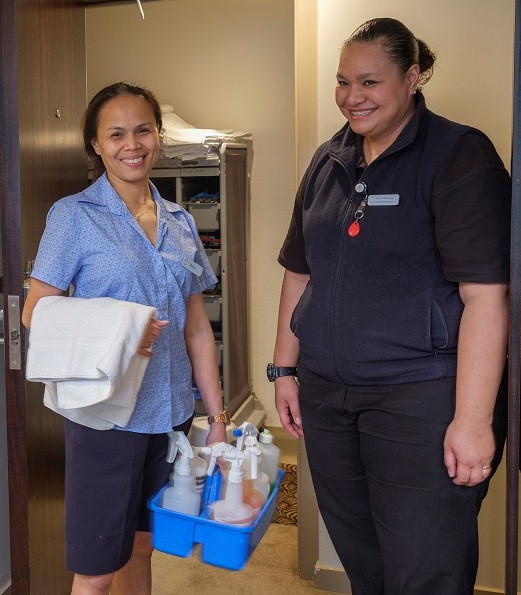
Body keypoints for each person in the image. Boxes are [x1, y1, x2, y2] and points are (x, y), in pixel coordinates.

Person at [271, 17, 510, 595]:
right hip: (328, 396)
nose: (353, 97)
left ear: (413, 75)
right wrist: (282, 368)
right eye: (343, 81)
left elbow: (486, 296)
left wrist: (474, 420)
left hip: (419, 398)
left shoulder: (459, 155)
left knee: (426, 569)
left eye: (370, 82)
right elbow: (300, 272)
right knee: (363, 560)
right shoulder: (329, 160)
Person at [22, 82, 228, 595]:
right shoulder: (74, 217)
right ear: (95, 144)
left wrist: (218, 418)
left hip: (172, 411)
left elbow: (197, 329)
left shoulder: (180, 222)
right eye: (116, 134)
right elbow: (35, 312)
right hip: (106, 415)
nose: (131, 145)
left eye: (142, 130)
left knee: (142, 546)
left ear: (157, 136)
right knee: (95, 568)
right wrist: (114, 333)